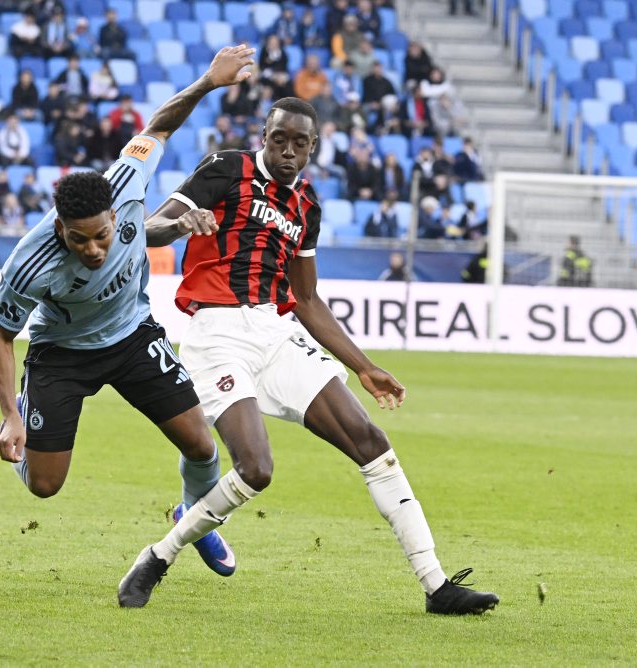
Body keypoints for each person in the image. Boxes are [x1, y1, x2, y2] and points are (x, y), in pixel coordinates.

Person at [123, 96, 500, 615]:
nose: (288, 151)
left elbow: (306, 299)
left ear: (312, 149)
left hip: (275, 332)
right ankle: (158, 557)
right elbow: (150, 227)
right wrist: (188, 223)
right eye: (279, 139)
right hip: (217, 333)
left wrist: (364, 366)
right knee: (255, 468)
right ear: (264, 135)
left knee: (370, 440)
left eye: (299, 144)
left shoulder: (306, 207)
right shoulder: (225, 169)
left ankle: (436, 585)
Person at [0, 46, 257, 604]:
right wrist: (10, 417)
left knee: (203, 448)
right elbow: (0, 335)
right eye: (78, 238)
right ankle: (29, 442)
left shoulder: (128, 179)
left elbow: (159, 125)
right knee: (44, 485)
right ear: (59, 226)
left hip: (133, 336)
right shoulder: (28, 262)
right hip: (61, 354)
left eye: (101, 235)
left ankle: (195, 517)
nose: (92, 248)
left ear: (113, 214)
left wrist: (208, 81)